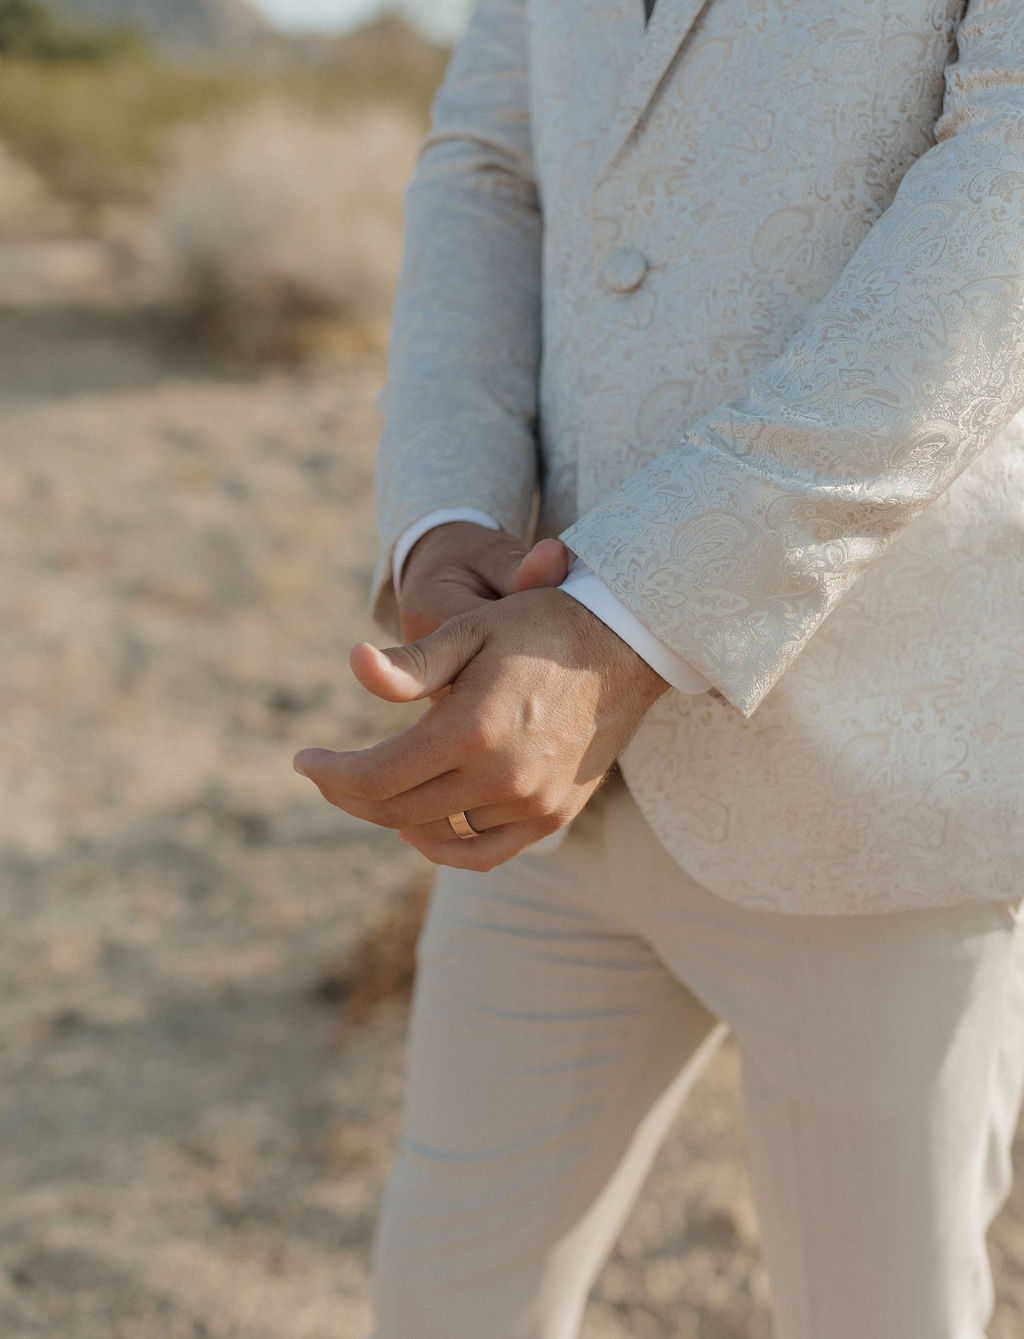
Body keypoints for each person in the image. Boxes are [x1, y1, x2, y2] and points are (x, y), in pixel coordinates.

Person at [293, 1, 1024, 1334]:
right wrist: (446, 523)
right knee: (445, 1306)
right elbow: (486, 169)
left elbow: (1008, 195)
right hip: (543, 785)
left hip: (877, 790)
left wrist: (629, 620)